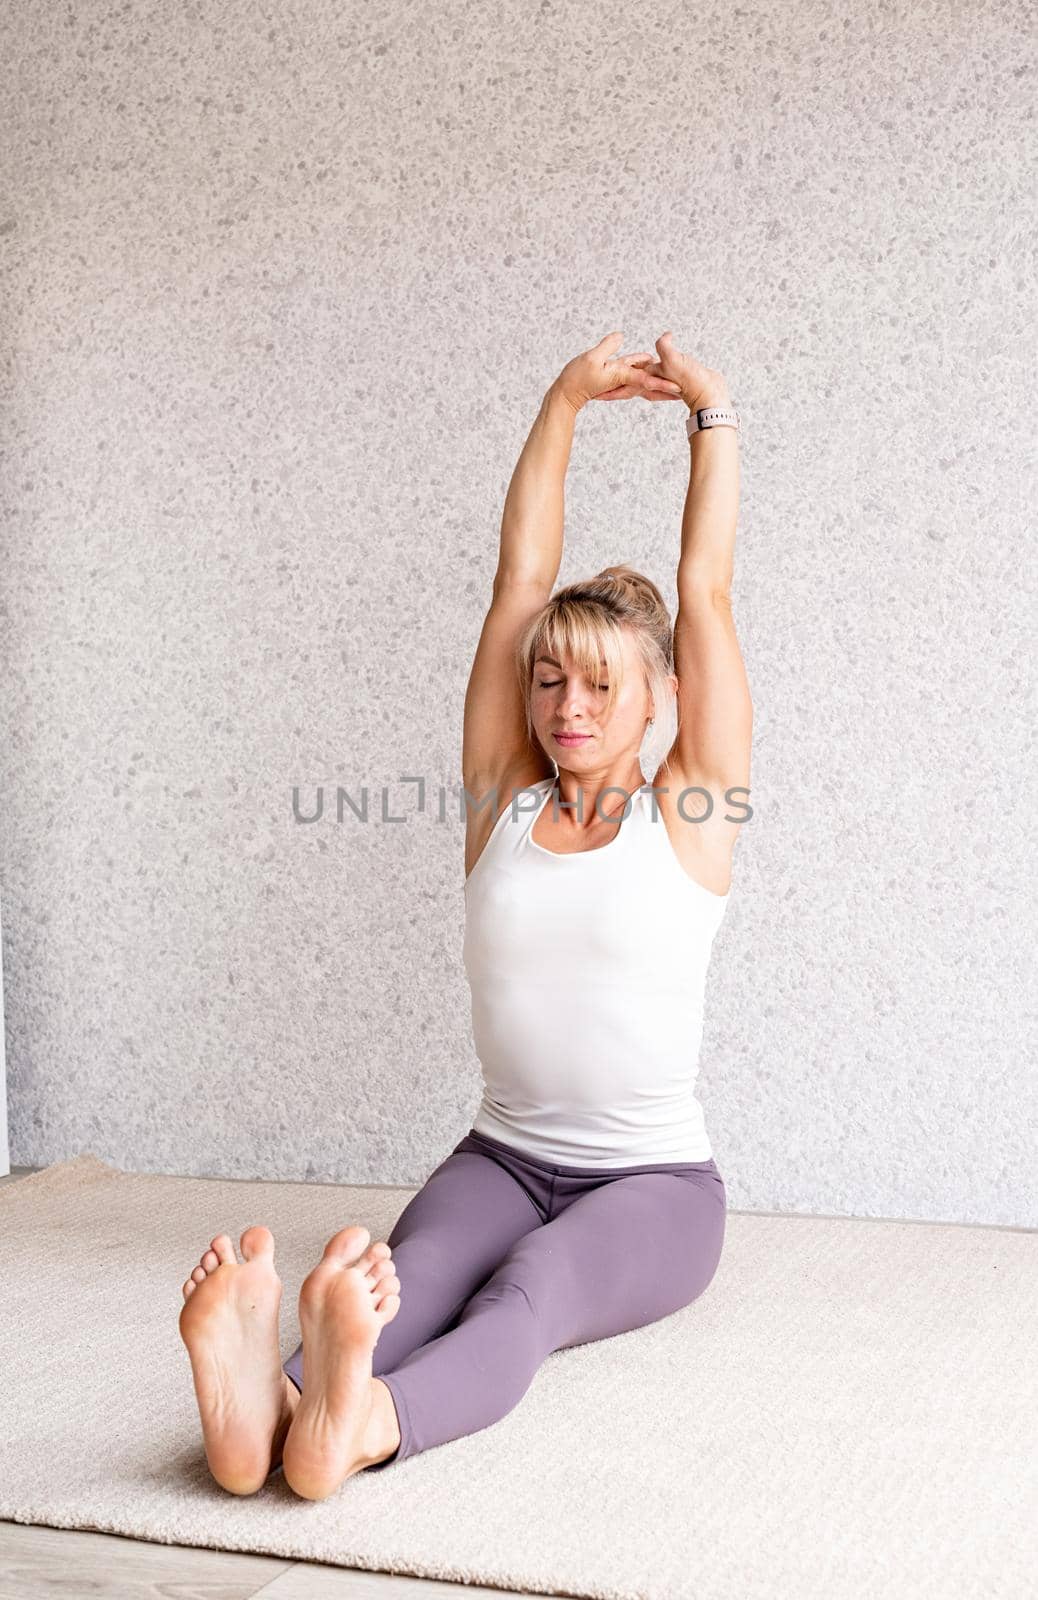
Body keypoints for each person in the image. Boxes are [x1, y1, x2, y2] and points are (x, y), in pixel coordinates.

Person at [178, 330, 751, 1501]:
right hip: (501, 1149)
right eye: (551, 679)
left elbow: (706, 588)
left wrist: (711, 414)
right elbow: (519, 582)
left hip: (652, 1188)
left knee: (529, 1289)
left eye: (602, 683)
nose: (567, 705)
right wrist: (561, 400)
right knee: (413, 1270)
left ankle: (368, 1423)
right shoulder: (501, 800)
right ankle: (269, 1407)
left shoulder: (693, 809)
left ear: (664, 700)